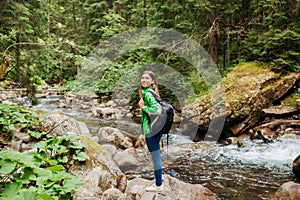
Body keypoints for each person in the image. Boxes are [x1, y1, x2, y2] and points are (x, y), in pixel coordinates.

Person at [138, 70, 164, 192]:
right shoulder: (151, 92)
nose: (144, 80)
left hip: (152, 130)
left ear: (152, 81)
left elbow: (157, 110)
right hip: (155, 128)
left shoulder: (148, 94)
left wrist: (143, 107)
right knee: (156, 156)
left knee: (156, 158)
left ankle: (159, 185)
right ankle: (159, 181)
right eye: (143, 78)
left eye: (147, 78)